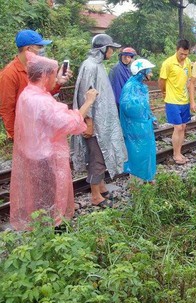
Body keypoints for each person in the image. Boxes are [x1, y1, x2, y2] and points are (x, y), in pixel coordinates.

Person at [10, 52, 98, 231]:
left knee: (38, 197)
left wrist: (57, 81)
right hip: (46, 158)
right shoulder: (42, 101)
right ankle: (54, 231)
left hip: (31, 154)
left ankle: (40, 229)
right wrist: (89, 101)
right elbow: (70, 122)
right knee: (51, 199)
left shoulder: (28, 93)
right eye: (53, 74)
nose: (54, 78)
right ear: (43, 75)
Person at [71, 34, 128, 207]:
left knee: (102, 155)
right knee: (97, 156)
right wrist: (88, 122)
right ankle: (95, 196)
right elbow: (84, 96)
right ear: (103, 49)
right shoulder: (90, 66)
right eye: (111, 48)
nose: (112, 51)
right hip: (95, 124)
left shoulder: (97, 65)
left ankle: (101, 186)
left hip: (103, 122)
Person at [0, 29, 72, 140]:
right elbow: (7, 109)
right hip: (24, 134)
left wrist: (58, 82)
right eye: (39, 47)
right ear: (28, 49)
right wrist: (16, 136)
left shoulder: (36, 69)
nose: (42, 50)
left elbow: (43, 94)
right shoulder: (9, 74)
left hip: (40, 130)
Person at [119, 59, 157, 183]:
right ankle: (137, 183)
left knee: (146, 151)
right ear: (142, 72)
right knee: (137, 153)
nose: (151, 74)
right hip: (135, 127)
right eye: (149, 71)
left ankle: (147, 177)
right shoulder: (131, 87)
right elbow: (127, 106)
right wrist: (142, 111)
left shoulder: (139, 85)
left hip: (142, 125)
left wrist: (150, 116)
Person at [159, 39, 192, 165]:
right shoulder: (168, 63)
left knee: (183, 127)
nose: (183, 56)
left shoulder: (188, 62)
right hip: (172, 100)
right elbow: (161, 81)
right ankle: (176, 154)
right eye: (181, 54)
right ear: (176, 50)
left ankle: (179, 151)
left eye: (186, 54)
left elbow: (188, 79)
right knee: (177, 127)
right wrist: (164, 92)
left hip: (184, 99)